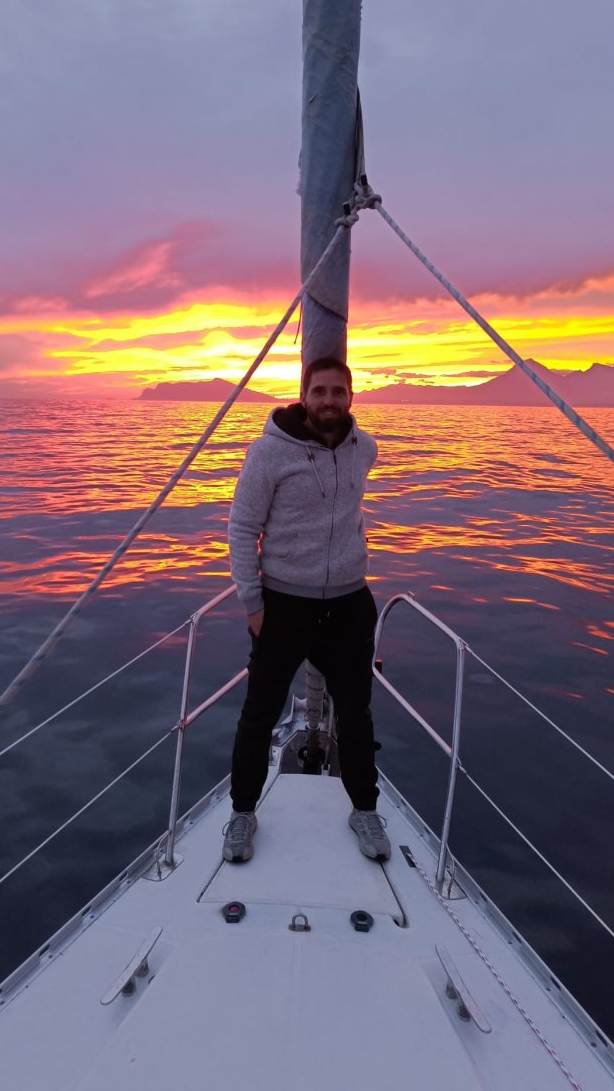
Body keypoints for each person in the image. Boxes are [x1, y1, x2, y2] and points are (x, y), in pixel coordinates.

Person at [223, 356, 390, 863]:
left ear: (351, 397)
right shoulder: (268, 454)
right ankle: (242, 813)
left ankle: (364, 809)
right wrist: (252, 601)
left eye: (338, 392)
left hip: (347, 603)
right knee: (259, 715)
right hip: (283, 606)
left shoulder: (366, 449)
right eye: (319, 392)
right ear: (303, 395)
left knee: (357, 716)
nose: (329, 402)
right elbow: (240, 529)